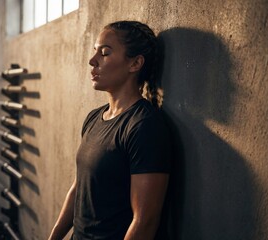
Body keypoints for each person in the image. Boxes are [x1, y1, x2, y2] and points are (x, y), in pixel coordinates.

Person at [48, 21, 171, 240]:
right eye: (95, 51)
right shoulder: (94, 118)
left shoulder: (144, 126)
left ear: (135, 63)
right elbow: (80, 187)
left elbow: (145, 221)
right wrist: (55, 236)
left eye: (104, 53)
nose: (92, 61)